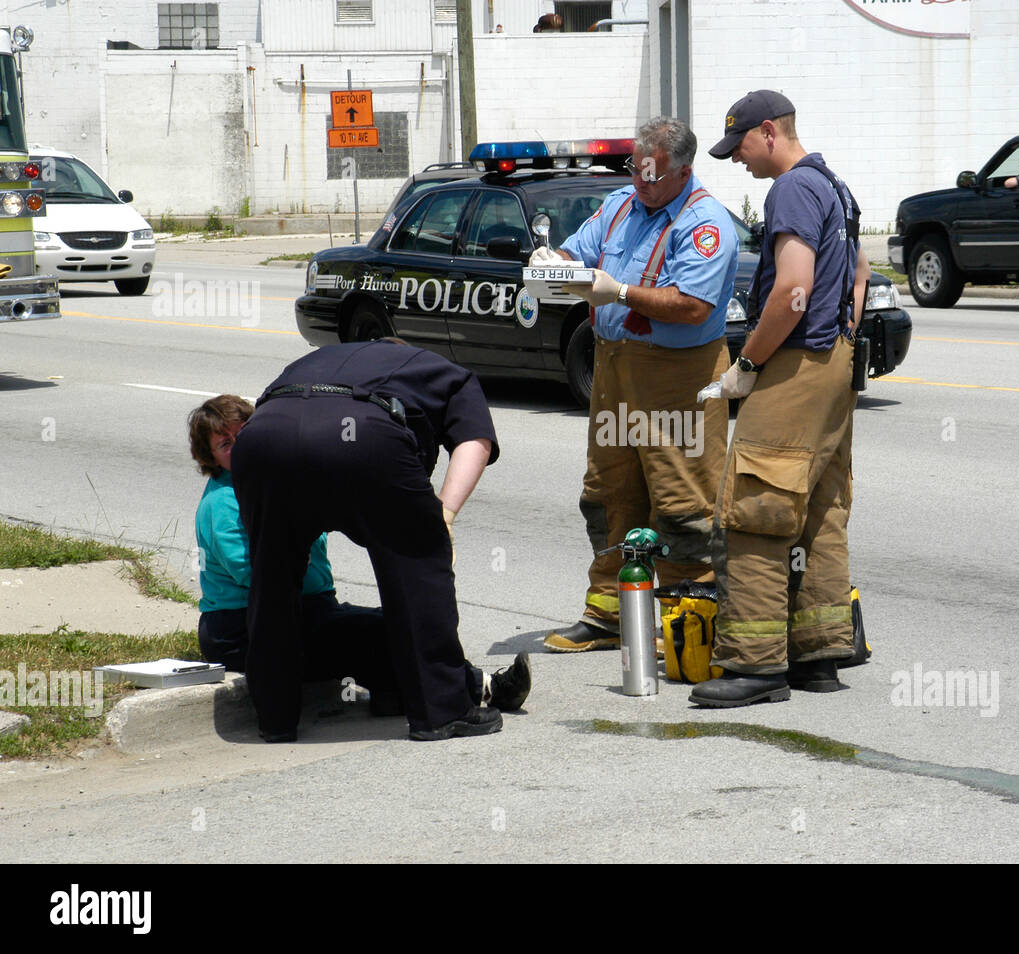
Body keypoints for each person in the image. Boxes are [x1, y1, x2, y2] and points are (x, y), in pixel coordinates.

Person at [528, 116, 739, 652]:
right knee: (610, 492)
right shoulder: (621, 205)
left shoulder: (704, 222)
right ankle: (610, 614)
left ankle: (687, 619)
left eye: (653, 174)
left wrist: (618, 291)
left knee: (681, 501)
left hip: (677, 377)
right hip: (615, 369)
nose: (642, 183)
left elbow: (692, 305)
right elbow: (579, 253)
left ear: (684, 171)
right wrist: (554, 264)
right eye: (635, 169)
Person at [230, 339, 509, 742]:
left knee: (272, 580)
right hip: (364, 435)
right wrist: (443, 515)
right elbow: (474, 442)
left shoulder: (319, 358)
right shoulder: (445, 372)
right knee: (419, 568)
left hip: (264, 437)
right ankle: (442, 711)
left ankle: (274, 718)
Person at [188, 393, 530, 720]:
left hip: (305, 609)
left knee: (388, 622)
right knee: (376, 632)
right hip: (243, 629)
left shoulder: (274, 482)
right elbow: (256, 574)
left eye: (244, 434)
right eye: (226, 444)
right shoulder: (223, 502)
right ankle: (486, 689)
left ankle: (395, 693)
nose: (241, 446)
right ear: (210, 459)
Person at [690, 89, 861, 707]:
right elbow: (860, 276)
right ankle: (820, 656)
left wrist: (748, 365)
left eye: (740, 147)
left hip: (793, 369)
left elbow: (792, 290)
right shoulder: (834, 187)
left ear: (769, 131)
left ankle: (757, 666)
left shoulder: (790, 189)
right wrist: (839, 349)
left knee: (756, 513)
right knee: (819, 511)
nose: (738, 159)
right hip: (833, 364)